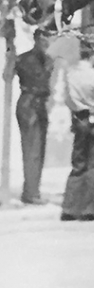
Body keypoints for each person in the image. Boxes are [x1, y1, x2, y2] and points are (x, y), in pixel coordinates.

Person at [62, 44, 94, 221]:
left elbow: (66, 98)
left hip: (79, 118)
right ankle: (89, 209)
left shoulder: (70, 73)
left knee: (78, 164)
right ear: (93, 56)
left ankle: (69, 207)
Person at [7, 29, 54, 204]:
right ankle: (30, 193)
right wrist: (10, 55)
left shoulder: (49, 60)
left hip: (41, 103)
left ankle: (33, 190)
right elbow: (7, 76)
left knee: (39, 149)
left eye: (48, 39)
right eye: (43, 39)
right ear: (35, 39)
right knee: (31, 148)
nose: (46, 42)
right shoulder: (23, 58)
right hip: (28, 103)